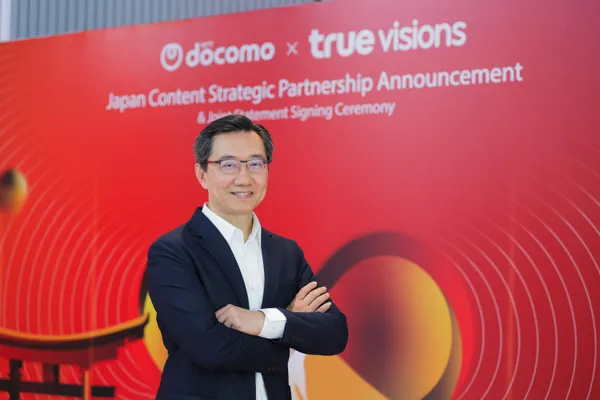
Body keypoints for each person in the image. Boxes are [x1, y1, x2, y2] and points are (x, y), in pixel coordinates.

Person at [146, 114, 348, 400]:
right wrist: (288, 327)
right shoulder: (173, 251)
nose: (244, 178)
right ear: (202, 174)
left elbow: (335, 334)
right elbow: (210, 348)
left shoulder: (286, 252)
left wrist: (263, 321)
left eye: (255, 164)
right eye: (228, 164)